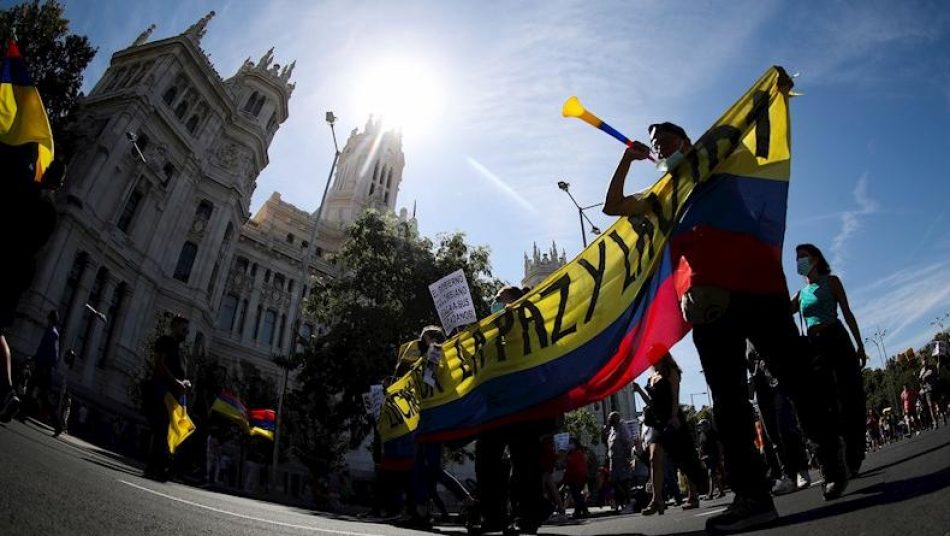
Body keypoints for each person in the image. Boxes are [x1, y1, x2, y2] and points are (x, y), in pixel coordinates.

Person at [603, 106, 850, 533]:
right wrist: (628, 158)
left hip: (759, 286)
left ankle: (830, 451)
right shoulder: (663, 197)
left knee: (794, 375)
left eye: (665, 138)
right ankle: (753, 496)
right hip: (708, 301)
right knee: (728, 401)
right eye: (654, 142)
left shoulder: (718, 162)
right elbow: (612, 205)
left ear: (685, 141)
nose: (659, 146)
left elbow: (743, 129)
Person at [792, 244, 868, 474]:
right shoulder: (800, 295)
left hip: (837, 339)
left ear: (816, 259)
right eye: (797, 258)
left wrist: (860, 345)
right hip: (816, 348)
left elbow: (847, 312)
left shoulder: (831, 281)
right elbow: (780, 316)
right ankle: (838, 451)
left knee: (850, 396)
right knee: (827, 401)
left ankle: (854, 454)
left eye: (803, 257)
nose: (799, 262)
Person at [632, 354, 707, 514]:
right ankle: (656, 500)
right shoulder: (652, 376)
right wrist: (638, 390)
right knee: (654, 458)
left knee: (684, 459)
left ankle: (693, 495)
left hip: (672, 420)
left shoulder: (671, 371)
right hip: (656, 422)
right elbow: (652, 403)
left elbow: (675, 396)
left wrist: (673, 416)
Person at [747, 348, 811, 495]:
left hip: (774, 375)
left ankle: (800, 468)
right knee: (772, 433)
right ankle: (787, 475)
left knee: (786, 425)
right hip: (758, 384)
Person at [143, 315, 191, 481]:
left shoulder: (181, 353)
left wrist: (184, 383)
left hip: (175, 396)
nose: (186, 334)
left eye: (187, 331)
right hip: (162, 391)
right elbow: (160, 364)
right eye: (184, 329)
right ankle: (154, 467)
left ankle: (160, 466)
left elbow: (179, 374)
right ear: (174, 327)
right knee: (161, 428)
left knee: (169, 430)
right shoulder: (165, 342)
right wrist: (175, 381)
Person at [696, 419, 726, 500]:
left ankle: (710, 494)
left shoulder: (712, 433)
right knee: (714, 475)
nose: (700, 427)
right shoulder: (702, 434)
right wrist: (700, 455)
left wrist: (720, 456)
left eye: (701, 425)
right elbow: (701, 446)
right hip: (706, 457)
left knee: (711, 474)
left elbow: (719, 444)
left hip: (713, 456)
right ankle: (721, 491)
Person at [563, 438, 590, 519]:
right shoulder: (577, 453)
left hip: (577, 477)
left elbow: (574, 466)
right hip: (577, 477)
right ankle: (580, 511)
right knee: (577, 495)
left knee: (577, 495)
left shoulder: (577, 454)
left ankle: (581, 511)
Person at [919, 355, 944, 429]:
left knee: (939, 403)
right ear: (921, 362)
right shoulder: (921, 372)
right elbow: (920, 383)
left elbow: (937, 375)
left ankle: (944, 418)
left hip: (935, 388)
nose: (925, 361)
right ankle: (935, 422)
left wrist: (938, 367)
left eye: (926, 359)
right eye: (923, 360)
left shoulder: (933, 367)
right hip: (928, 391)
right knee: (931, 407)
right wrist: (923, 386)